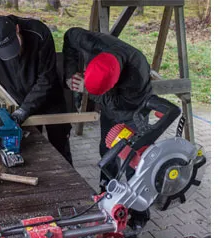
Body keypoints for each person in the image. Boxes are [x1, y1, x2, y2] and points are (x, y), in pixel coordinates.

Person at [0, 15, 73, 164]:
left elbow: (46, 80)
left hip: (50, 96)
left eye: (13, 46)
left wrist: (24, 110)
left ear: (17, 29)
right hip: (18, 98)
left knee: (60, 143)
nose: (12, 54)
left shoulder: (39, 33)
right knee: (35, 147)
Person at [62, 27, 152, 191]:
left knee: (135, 158)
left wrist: (87, 90)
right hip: (110, 105)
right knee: (107, 150)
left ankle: (139, 209)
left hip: (133, 111)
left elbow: (119, 105)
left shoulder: (137, 73)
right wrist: (71, 73)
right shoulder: (91, 43)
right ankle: (108, 192)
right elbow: (69, 35)